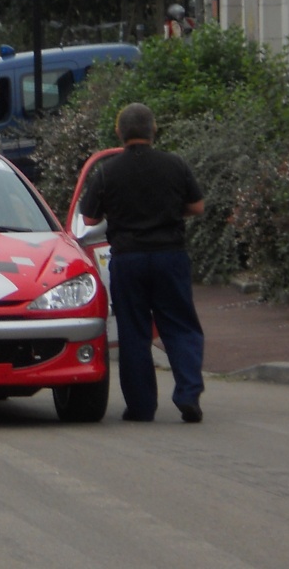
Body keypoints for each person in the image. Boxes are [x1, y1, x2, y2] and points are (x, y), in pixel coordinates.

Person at [79, 103, 206, 423]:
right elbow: (197, 206)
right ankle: (188, 393)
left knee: (134, 332)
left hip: (128, 259)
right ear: (154, 130)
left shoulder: (107, 171)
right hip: (170, 255)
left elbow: (89, 217)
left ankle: (141, 406)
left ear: (119, 133)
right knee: (179, 325)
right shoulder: (175, 164)